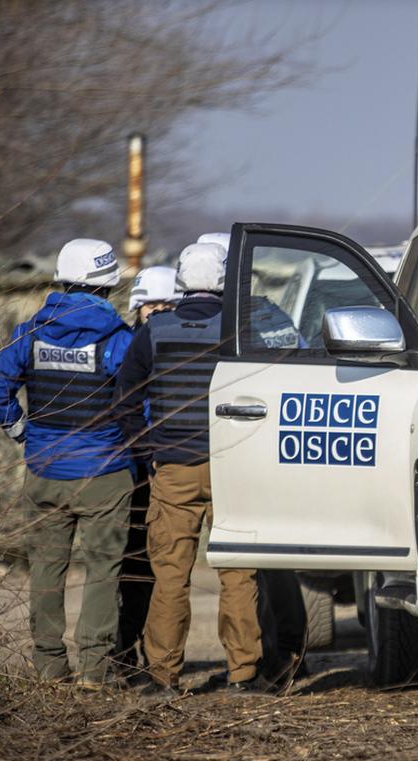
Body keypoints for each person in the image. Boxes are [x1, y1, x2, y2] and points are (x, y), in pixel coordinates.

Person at [114, 242, 272, 695]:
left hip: (173, 470)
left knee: (169, 576)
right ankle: (245, 674)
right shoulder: (240, 327)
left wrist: (148, 451)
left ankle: (163, 676)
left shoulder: (155, 331)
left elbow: (124, 400)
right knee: (238, 574)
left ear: (181, 280)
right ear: (225, 280)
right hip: (233, 468)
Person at [0, 238, 135, 688]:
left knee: (47, 570)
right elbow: (138, 406)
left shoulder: (30, 333)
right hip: (104, 473)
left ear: (60, 281)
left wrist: (23, 433)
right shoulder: (118, 339)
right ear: (107, 287)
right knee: (104, 569)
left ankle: (49, 668)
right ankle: (95, 669)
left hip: (45, 470)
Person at [194, 232, 309, 685]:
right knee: (270, 560)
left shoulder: (198, 322)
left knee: (245, 566)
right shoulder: (266, 313)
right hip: (264, 450)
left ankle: (271, 658)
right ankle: (288, 654)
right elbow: (300, 367)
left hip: (218, 453)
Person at [113, 265, 181, 681]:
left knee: (161, 569)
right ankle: (125, 653)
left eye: (166, 304)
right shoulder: (124, 344)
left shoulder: (175, 344)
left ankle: (150, 654)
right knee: (134, 568)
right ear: (137, 308)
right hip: (136, 470)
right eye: (149, 304)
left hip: (165, 465)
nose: (156, 311)